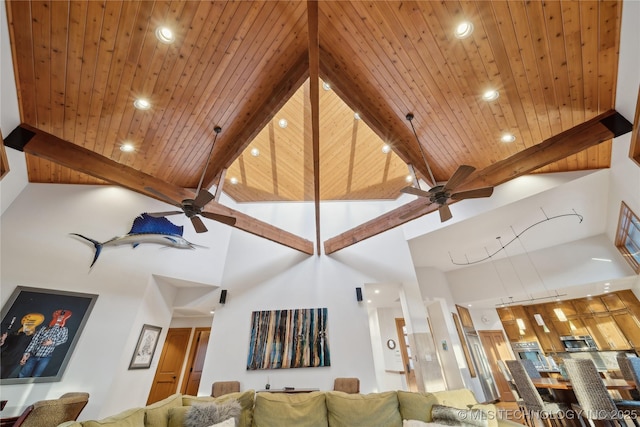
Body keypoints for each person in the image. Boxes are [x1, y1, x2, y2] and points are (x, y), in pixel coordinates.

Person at [18, 309, 71, 378]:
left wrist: (52, 342)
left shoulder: (64, 330)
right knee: (23, 374)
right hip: (33, 355)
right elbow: (34, 340)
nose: (60, 318)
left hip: (45, 357)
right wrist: (26, 353)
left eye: (62, 316)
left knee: (36, 376)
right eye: (59, 316)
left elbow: (64, 339)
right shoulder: (44, 328)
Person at [0, 313, 44, 378]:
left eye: (31, 322)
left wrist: (26, 357)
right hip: (3, 359)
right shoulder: (15, 334)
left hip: (16, 362)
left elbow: (32, 351)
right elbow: (3, 345)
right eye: (26, 321)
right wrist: (2, 340)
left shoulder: (34, 338)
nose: (27, 323)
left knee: (3, 378)